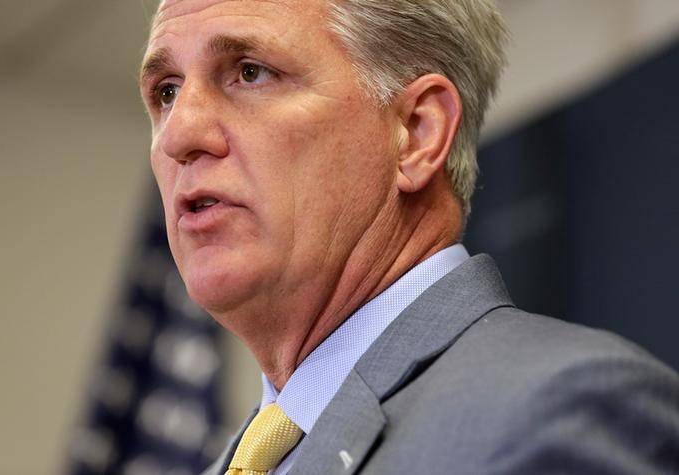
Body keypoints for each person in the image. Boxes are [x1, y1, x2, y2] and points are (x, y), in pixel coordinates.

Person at [139, 0, 679, 473]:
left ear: (417, 133)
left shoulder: (561, 412)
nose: (180, 133)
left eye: (250, 72)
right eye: (166, 91)